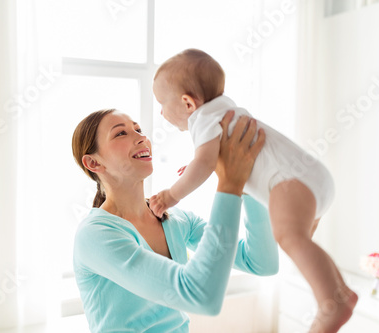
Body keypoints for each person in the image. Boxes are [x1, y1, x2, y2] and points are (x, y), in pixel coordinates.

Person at [150, 48, 358, 332]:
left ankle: (331, 304)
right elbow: (210, 159)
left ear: (187, 103)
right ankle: (339, 292)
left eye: (162, 103)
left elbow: (206, 161)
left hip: (291, 183)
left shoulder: (202, 120)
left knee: (289, 237)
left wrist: (170, 195)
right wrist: (197, 165)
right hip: (313, 180)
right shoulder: (225, 110)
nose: (161, 111)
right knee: (300, 244)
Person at [71, 108, 278, 332]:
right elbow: (201, 297)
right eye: (121, 133)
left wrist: (246, 184)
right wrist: (230, 185)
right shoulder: (95, 235)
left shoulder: (176, 220)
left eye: (138, 129)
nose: (141, 137)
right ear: (93, 163)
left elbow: (261, 263)